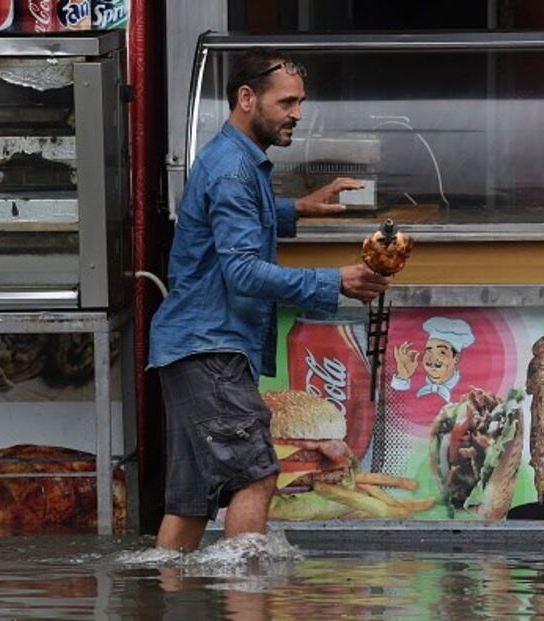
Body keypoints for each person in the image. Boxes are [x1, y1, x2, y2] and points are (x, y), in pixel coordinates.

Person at [147, 47, 390, 551]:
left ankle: (163, 589)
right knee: (256, 475)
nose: (297, 114)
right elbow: (241, 271)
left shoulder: (233, 160)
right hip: (211, 348)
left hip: (190, 348)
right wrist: (334, 282)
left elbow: (231, 221)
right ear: (246, 98)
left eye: (300, 102)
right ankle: (246, 588)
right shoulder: (234, 169)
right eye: (286, 103)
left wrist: (295, 208)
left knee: (189, 503)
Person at [390, 316, 475, 404]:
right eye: (428, 351)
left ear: (456, 358)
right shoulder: (413, 380)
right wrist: (402, 377)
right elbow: (394, 405)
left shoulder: (469, 390)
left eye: (442, 352)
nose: (432, 359)